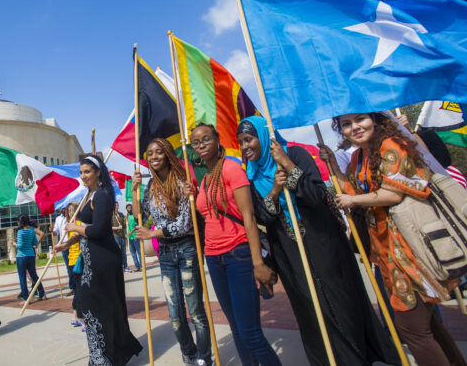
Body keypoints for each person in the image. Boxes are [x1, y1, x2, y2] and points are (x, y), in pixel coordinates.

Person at [238, 116, 399, 366]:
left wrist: (288, 164)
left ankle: (357, 358)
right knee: (312, 311)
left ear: (263, 137)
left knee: (341, 301)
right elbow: (263, 216)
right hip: (290, 253)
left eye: (248, 139)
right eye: (241, 142)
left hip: (324, 242)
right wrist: (274, 191)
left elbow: (314, 195)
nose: (245, 146)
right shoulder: (252, 174)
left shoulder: (297, 154)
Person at [321, 112, 467, 366]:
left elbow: (392, 194)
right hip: (385, 250)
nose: (354, 127)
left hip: (412, 249)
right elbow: (353, 191)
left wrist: (353, 200)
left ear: (375, 120)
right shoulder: (358, 156)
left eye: (360, 120)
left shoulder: (393, 146)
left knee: (412, 329)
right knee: (427, 324)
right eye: (346, 124)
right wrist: (334, 166)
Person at [190, 123, 280, 366]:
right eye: (196, 142)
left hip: (238, 254)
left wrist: (258, 263)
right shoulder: (206, 179)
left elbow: (248, 217)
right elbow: (208, 214)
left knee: (250, 332)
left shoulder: (232, 169)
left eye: (206, 139)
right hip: (213, 257)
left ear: (218, 140)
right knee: (237, 330)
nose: (201, 145)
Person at [54, 154, 142, 365]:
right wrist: (69, 242)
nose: (83, 176)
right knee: (92, 307)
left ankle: (106, 356)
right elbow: (89, 230)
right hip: (91, 259)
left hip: (103, 260)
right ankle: (103, 354)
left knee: (99, 307)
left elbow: (99, 230)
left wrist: (75, 226)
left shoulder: (102, 195)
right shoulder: (90, 194)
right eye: (81, 172)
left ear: (98, 173)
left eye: (87, 172)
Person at [132, 138, 213, 366]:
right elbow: (140, 215)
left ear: (167, 154)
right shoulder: (150, 187)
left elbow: (185, 224)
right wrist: (135, 188)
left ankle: (203, 359)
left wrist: (153, 234)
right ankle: (189, 355)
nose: (154, 157)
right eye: (150, 154)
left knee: (196, 311)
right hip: (166, 255)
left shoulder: (181, 182)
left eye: (159, 152)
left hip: (187, 249)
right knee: (175, 315)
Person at [12, 214, 46, 301]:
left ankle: (26, 298)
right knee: (34, 275)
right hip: (31, 255)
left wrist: (15, 244)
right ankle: (42, 293)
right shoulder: (31, 231)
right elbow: (35, 242)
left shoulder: (20, 232)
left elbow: (20, 245)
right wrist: (33, 245)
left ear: (21, 222)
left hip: (22, 256)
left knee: (22, 277)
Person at [54, 206, 76, 296]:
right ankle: (73, 287)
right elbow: (56, 232)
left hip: (73, 243)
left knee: (76, 266)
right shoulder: (58, 219)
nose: (63, 210)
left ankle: (78, 285)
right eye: (61, 209)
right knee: (69, 267)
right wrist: (53, 231)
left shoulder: (73, 218)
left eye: (64, 208)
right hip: (64, 244)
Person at [112, 203, 130, 272]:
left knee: (124, 253)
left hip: (122, 236)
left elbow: (123, 225)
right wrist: (117, 228)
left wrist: (125, 220)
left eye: (117, 205)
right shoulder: (111, 215)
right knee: (118, 254)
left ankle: (126, 266)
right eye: (115, 205)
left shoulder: (121, 214)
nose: (117, 207)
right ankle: (120, 268)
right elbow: (109, 227)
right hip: (116, 237)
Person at [125, 204, 142, 272]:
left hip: (135, 236)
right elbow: (124, 225)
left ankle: (141, 266)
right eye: (128, 208)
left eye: (130, 208)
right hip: (130, 238)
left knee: (139, 252)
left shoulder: (134, 216)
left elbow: (136, 226)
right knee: (133, 253)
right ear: (126, 209)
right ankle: (137, 266)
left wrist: (131, 232)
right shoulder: (126, 217)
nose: (129, 209)